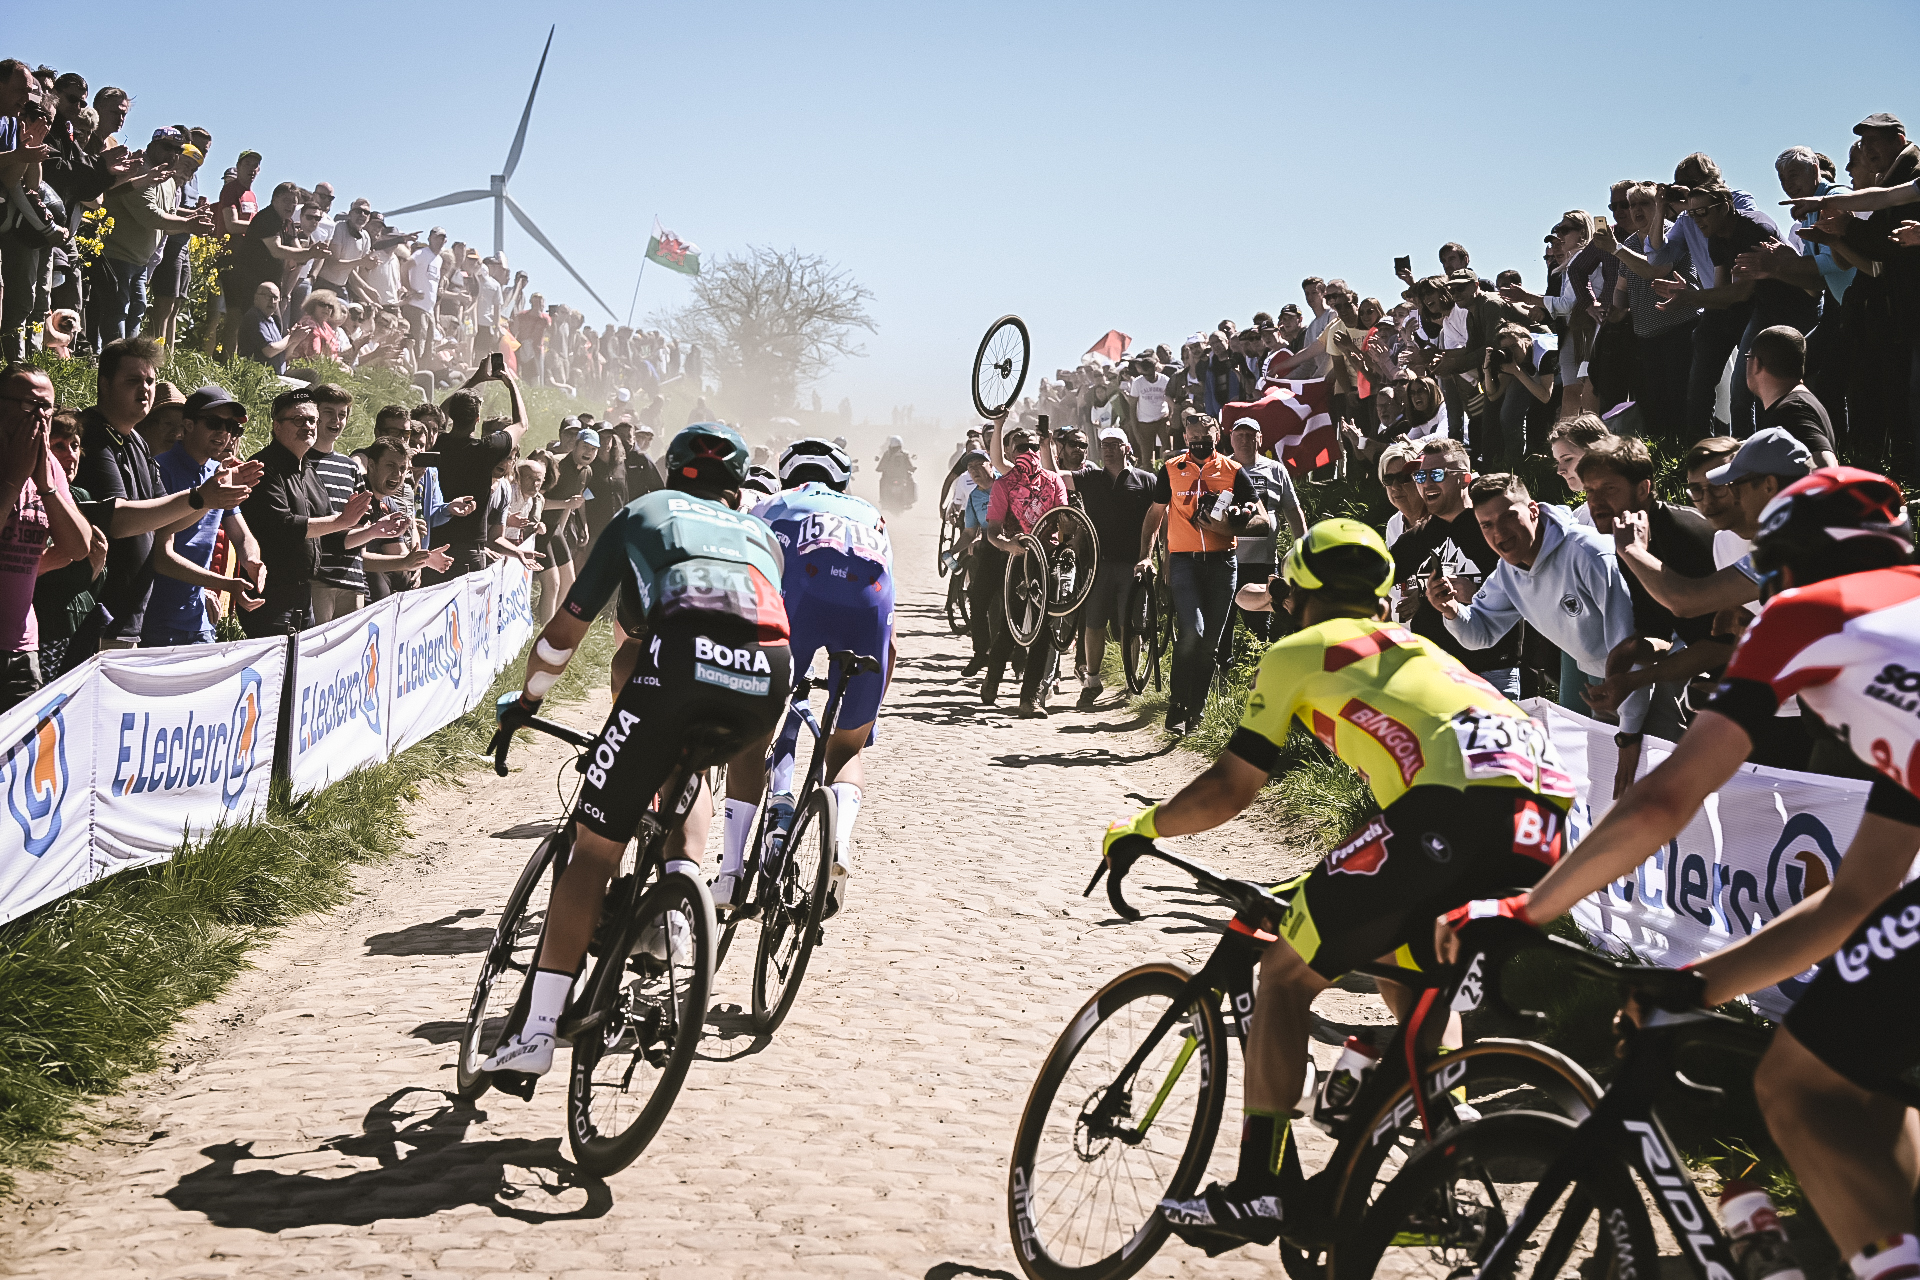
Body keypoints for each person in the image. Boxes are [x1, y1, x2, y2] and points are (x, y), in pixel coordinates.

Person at [1437, 468, 1920, 1280]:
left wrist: (1527, 911)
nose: (1764, 587)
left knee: (1795, 1087)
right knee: (1859, 1089)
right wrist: (1701, 983)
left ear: (1794, 562)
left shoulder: (1807, 613)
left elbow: (1665, 797)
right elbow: (1861, 896)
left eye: (1769, 568)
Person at [1099, 518, 1573, 1251]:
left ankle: (1259, 1190)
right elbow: (1388, 851)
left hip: (1451, 812)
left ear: (1293, 599)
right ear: (1384, 600)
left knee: (1284, 975)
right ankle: (1434, 1175)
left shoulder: (1301, 650)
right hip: (1543, 822)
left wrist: (1143, 829)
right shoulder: (1425, 653)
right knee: (1412, 986)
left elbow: (1231, 787)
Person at [482, 424, 791, 1079]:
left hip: (676, 662)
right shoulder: (761, 534)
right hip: (766, 676)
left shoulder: (642, 512)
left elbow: (567, 629)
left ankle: (535, 1033)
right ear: (736, 489)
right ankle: (681, 908)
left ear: (671, 471)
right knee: (693, 772)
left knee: (594, 849)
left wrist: (530, 699)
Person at [713, 438, 892, 917]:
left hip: (799, 600)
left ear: (789, 476)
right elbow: (890, 633)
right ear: (843, 483)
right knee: (846, 748)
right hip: (867, 610)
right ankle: (838, 841)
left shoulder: (774, 503)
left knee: (752, 738)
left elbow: (738, 585)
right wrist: (864, 718)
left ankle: (731, 872)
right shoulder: (872, 513)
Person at [1428, 472, 1648, 792]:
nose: (1498, 533)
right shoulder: (1508, 571)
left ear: (1533, 510)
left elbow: (1632, 647)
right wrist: (1451, 610)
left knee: (1663, 789)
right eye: (1486, 524)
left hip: (1652, 678)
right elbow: (1481, 633)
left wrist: (1628, 735)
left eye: (1508, 517)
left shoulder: (1589, 554)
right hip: (1599, 683)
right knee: (1604, 788)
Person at [1138, 410, 1269, 735]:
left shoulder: (1234, 471)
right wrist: (1145, 556)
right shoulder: (1170, 469)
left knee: (1210, 642)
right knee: (1192, 632)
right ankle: (1177, 704)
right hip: (1184, 561)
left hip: (1223, 563)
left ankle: (1194, 714)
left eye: (1205, 439)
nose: (1199, 444)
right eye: (1193, 439)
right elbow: (1154, 516)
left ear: (1216, 437)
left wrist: (1229, 525)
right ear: (1185, 438)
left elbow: (1264, 522)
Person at [238, 388, 375, 636]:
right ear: (277, 426)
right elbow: (283, 526)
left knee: (300, 672)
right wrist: (341, 520)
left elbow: (329, 536)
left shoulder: (308, 471)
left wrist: (372, 530)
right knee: (272, 672)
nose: (308, 426)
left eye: (312, 420)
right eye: (298, 420)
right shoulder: (263, 467)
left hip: (304, 595)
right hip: (271, 593)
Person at [0, 366, 92, 709]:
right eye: (30, 404)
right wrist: (12, 481)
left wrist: (47, 487)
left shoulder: (49, 467)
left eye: (48, 408)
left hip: (23, 649)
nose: (40, 416)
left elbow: (78, 547)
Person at [143, 386, 264, 646]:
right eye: (213, 423)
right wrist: (225, 583)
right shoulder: (160, 469)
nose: (224, 433)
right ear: (187, 425)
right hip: (156, 620)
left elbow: (242, 534)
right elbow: (161, 557)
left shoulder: (219, 471)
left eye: (231, 427)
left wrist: (252, 560)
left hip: (200, 620)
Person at [1058, 426, 1156, 708]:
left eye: (1115, 444)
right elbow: (1057, 478)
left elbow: (1162, 517)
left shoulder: (1146, 481)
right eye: (1104, 445)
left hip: (1133, 566)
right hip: (1099, 565)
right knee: (1094, 624)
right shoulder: (1091, 477)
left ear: (1127, 448)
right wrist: (1045, 446)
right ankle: (1092, 681)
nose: (1109, 449)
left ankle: (1131, 682)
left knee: (1132, 627)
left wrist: (1159, 557)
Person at [980, 423, 1070, 716]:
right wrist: (1009, 546)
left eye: (1034, 447)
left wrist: (1070, 524)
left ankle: (1030, 698)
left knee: (1043, 629)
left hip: (1049, 559)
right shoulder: (1003, 484)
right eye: (1022, 448)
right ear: (1009, 451)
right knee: (1012, 626)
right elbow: (993, 531)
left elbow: (1063, 521)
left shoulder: (1053, 481)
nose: (1029, 453)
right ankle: (993, 676)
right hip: (1019, 559)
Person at [427, 361, 526, 580]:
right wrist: (511, 384)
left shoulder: (437, 443)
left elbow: (439, 413)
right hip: (468, 549)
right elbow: (521, 424)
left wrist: (475, 380)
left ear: (452, 416)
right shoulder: (487, 449)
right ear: (477, 419)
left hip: (433, 547)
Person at [1222, 416, 1306, 662]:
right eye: (1240, 435)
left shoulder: (1275, 469)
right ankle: (1221, 674)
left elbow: (1292, 510)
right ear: (1231, 439)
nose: (1246, 440)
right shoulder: (1223, 468)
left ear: (1260, 439)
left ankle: (1259, 673)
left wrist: (1303, 548)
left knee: (1259, 626)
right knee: (1223, 622)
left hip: (1263, 561)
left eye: (1251, 435)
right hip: (1228, 559)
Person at [1747, 324, 1839, 468]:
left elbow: (1826, 464)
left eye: (1748, 357)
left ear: (1756, 363)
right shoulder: (1797, 402)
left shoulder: (1793, 410)